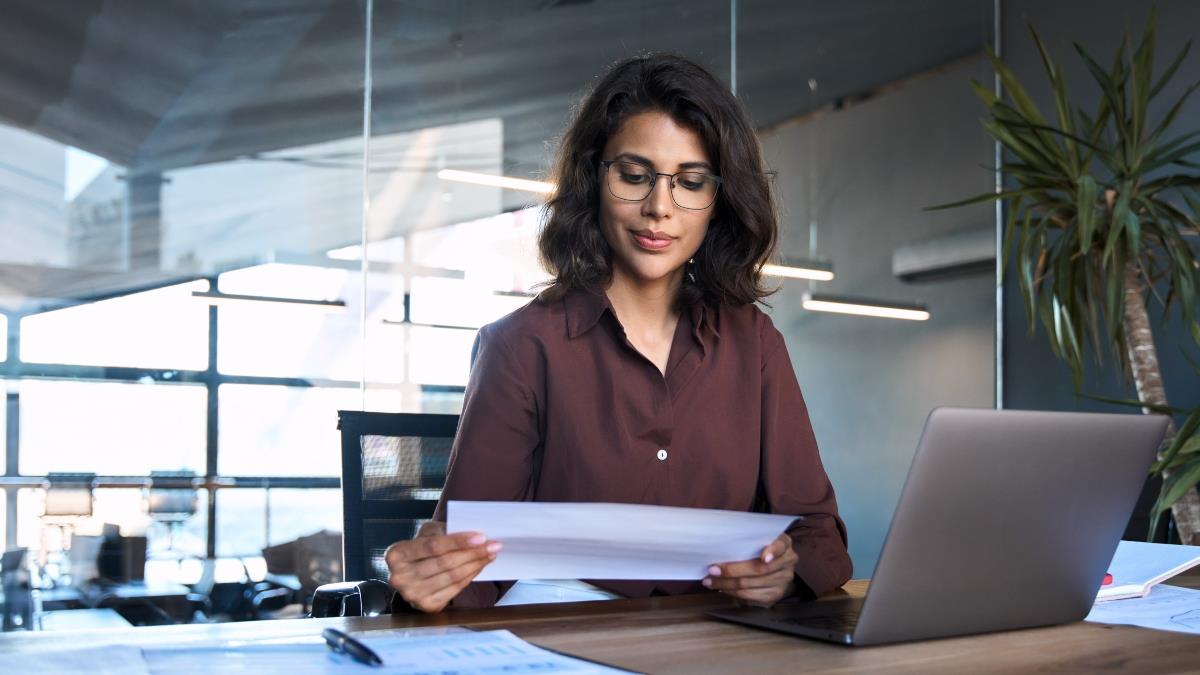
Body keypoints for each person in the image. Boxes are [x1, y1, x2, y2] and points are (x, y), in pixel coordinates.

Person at [384, 53, 852, 613]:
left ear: (718, 202)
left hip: (718, 639)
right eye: (633, 176)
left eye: (691, 182)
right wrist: (431, 579)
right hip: (562, 629)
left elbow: (819, 536)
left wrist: (785, 574)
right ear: (593, 180)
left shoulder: (755, 344)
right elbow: (467, 565)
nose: (659, 208)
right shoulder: (521, 346)